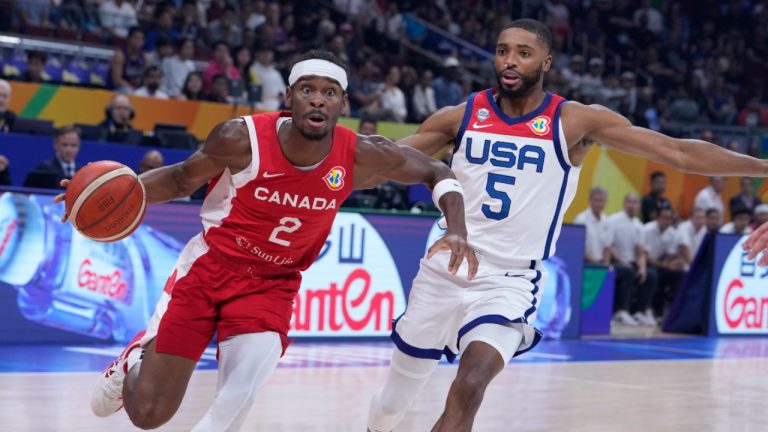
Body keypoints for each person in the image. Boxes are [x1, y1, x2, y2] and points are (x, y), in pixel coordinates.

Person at [367, 19, 768, 432]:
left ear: (546, 62)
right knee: (393, 405)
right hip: (445, 269)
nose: (510, 60)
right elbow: (387, 162)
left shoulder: (574, 122)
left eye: (524, 53)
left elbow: (677, 152)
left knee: (469, 385)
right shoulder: (461, 115)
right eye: (503, 50)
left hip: (509, 280)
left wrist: (763, 168)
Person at [56, 50, 476, 431]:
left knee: (235, 399)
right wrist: (105, 194)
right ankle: (134, 359)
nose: (318, 99)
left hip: (272, 286)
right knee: (148, 415)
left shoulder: (363, 154)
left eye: (329, 92)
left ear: (342, 104)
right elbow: (182, 177)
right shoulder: (240, 139)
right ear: (289, 97)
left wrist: (455, 226)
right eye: (308, 90)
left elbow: (437, 173)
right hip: (209, 269)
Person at [607, 193, 656, 326]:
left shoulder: (639, 226)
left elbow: (639, 251)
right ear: (624, 204)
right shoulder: (613, 220)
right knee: (627, 271)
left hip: (631, 262)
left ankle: (640, 311)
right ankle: (621, 311)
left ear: (639, 206)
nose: (632, 205)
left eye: (635, 203)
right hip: (615, 261)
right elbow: (609, 247)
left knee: (651, 275)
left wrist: (642, 268)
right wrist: (622, 261)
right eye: (629, 202)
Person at [574, 186, 612, 265]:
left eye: (602, 201)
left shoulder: (607, 220)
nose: (599, 204)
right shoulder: (581, 220)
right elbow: (577, 247)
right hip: (584, 263)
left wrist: (606, 265)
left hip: (601, 263)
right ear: (590, 201)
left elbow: (607, 248)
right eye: (596, 200)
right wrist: (595, 263)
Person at [109, 26, 148, 92]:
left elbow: (146, 78)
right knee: (127, 91)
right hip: (118, 89)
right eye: (135, 38)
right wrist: (134, 90)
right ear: (128, 38)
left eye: (141, 39)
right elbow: (117, 80)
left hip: (136, 90)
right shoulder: (120, 55)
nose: (138, 41)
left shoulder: (144, 57)